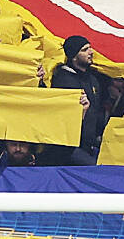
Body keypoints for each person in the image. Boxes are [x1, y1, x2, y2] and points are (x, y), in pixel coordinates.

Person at [47, 35, 119, 165]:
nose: (91, 52)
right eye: (85, 50)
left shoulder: (93, 80)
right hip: (69, 149)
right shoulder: (63, 79)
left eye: (90, 48)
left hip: (90, 146)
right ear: (74, 56)